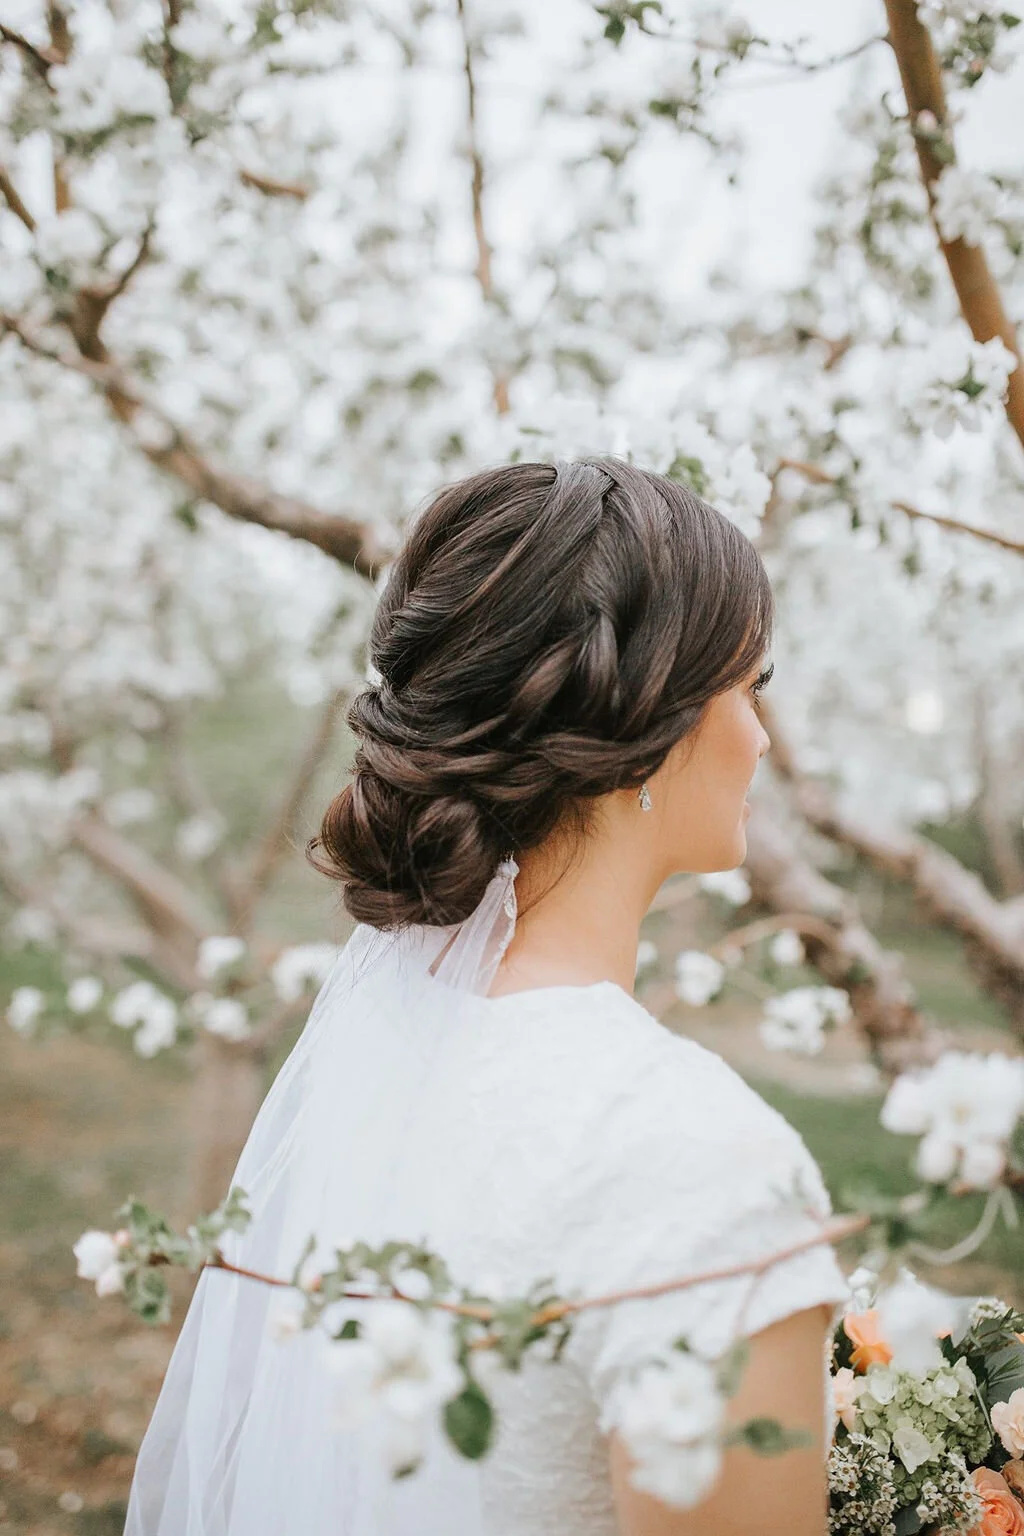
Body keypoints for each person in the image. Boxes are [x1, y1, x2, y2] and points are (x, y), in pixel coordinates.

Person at [125, 457, 849, 1536]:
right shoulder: (696, 1156)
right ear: (647, 719)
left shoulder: (385, 1072)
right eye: (752, 686)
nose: (762, 736)